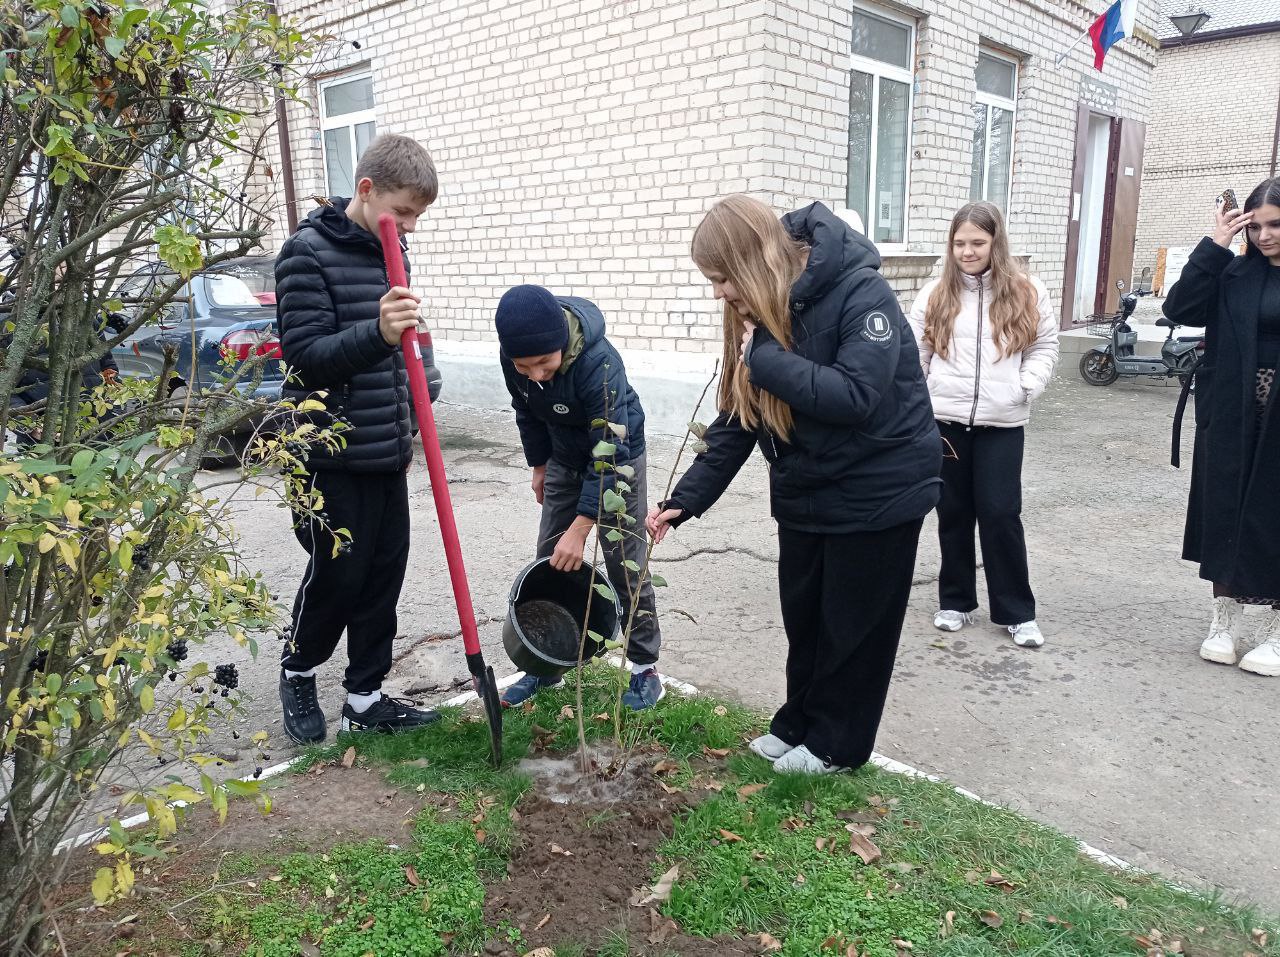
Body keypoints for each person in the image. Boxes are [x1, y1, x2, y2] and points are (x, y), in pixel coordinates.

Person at [648, 197, 942, 775]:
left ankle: (837, 745)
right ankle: (798, 724)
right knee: (806, 618)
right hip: (810, 490)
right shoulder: (760, 316)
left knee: (853, 629)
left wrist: (763, 360)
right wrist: (685, 500)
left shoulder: (863, 295)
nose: (719, 293)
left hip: (880, 490)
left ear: (753, 261)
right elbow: (739, 418)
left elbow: (855, 396)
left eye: (722, 278)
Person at [274, 133, 442, 742]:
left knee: (382, 575)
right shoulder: (305, 254)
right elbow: (306, 360)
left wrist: (422, 369)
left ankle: (365, 697)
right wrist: (379, 332)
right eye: (406, 213)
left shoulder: (386, 248)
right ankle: (298, 669)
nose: (412, 229)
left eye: (419, 217)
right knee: (337, 574)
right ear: (366, 192)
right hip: (325, 455)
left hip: (384, 448)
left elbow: (402, 344)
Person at [495, 284, 664, 709]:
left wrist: (582, 525)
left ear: (562, 345)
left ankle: (645, 669)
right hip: (562, 457)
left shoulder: (599, 363)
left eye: (544, 363)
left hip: (617, 459)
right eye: (523, 365)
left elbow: (611, 451)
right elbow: (525, 409)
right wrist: (539, 464)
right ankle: (543, 662)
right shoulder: (515, 360)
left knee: (625, 562)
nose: (535, 374)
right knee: (550, 558)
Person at [906, 202, 1058, 648]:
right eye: (959, 243)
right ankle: (955, 601)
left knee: (1000, 514)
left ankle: (1016, 611)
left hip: (1002, 423)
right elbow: (915, 353)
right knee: (952, 514)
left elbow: (1045, 346)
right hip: (945, 422)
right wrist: (922, 397)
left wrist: (1025, 385)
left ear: (996, 242)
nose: (967, 252)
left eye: (977, 242)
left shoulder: (1027, 291)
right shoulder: (935, 294)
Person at [1165, 176, 1280, 676]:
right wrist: (1217, 243)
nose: (1264, 236)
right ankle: (1224, 621)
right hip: (1233, 410)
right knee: (1226, 507)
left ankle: (1275, 631)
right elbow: (1179, 308)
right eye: (1254, 227)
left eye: (1275, 225)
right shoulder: (1232, 273)